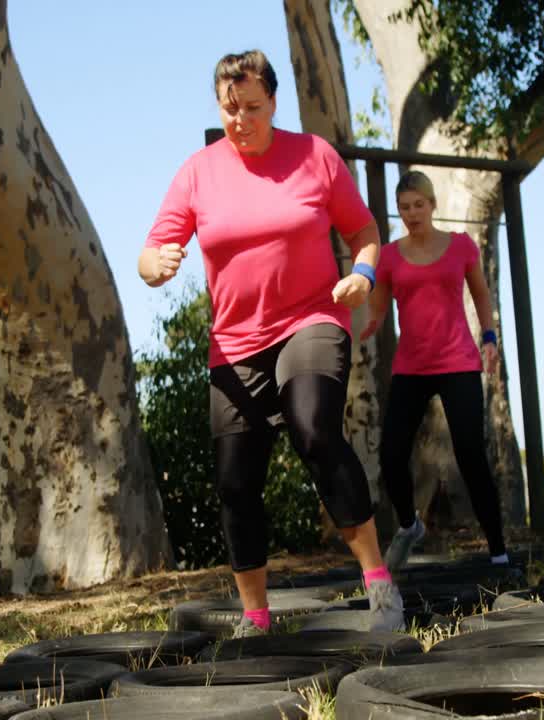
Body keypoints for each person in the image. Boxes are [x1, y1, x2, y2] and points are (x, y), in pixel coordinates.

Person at [139, 50, 403, 637]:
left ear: (273, 102)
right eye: (230, 110)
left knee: (314, 430)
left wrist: (361, 273)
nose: (241, 120)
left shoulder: (314, 157)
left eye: (253, 108)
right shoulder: (197, 172)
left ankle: (379, 583)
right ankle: (255, 618)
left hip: (311, 318)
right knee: (236, 482)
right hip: (234, 343)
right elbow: (151, 253)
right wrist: (156, 265)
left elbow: (363, 231)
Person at [361, 170, 509, 573]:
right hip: (412, 366)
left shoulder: (460, 246)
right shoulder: (389, 256)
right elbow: (377, 308)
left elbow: (480, 292)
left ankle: (499, 551)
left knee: (471, 454)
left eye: (418, 205)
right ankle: (410, 526)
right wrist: (366, 324)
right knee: (391, 456)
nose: (412, 213)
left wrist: (490, 337)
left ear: (432, 205)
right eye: (404, 208)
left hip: (458, 361)